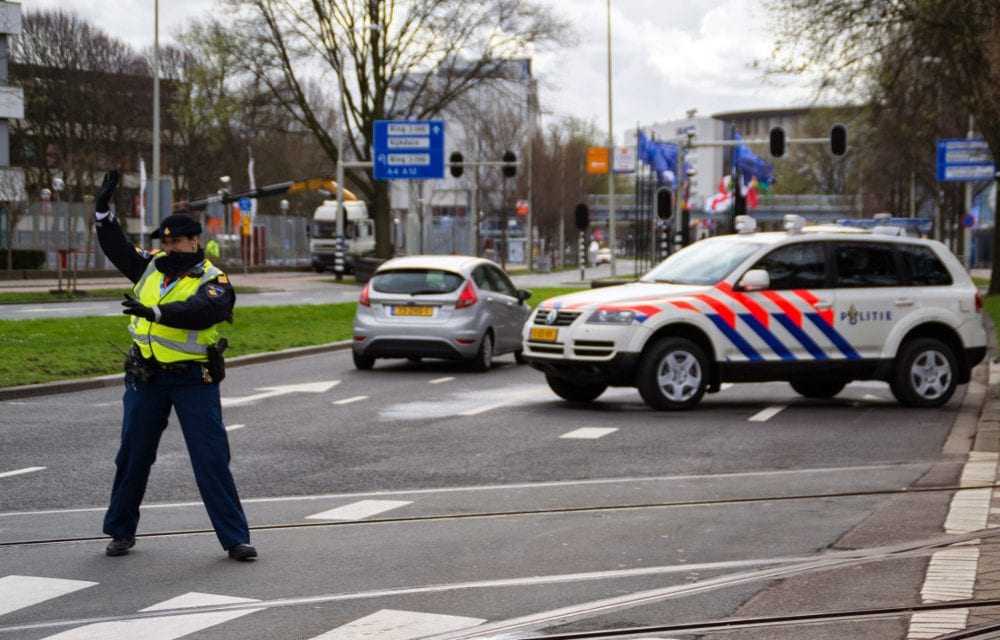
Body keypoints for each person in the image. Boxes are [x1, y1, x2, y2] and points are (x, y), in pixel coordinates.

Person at [93, 171, 256, 561]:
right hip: (145, 377)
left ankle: (235, 539)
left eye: (176, 242)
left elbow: (204, 311)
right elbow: (118, 250)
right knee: (133, 456)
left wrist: (156, 311)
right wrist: (102, 213)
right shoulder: (150, 267)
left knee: (210, 459)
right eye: (164, 243)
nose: (168, 248)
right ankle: (120, 531)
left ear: (194, 241)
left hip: (192, 380)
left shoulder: (214, 278)